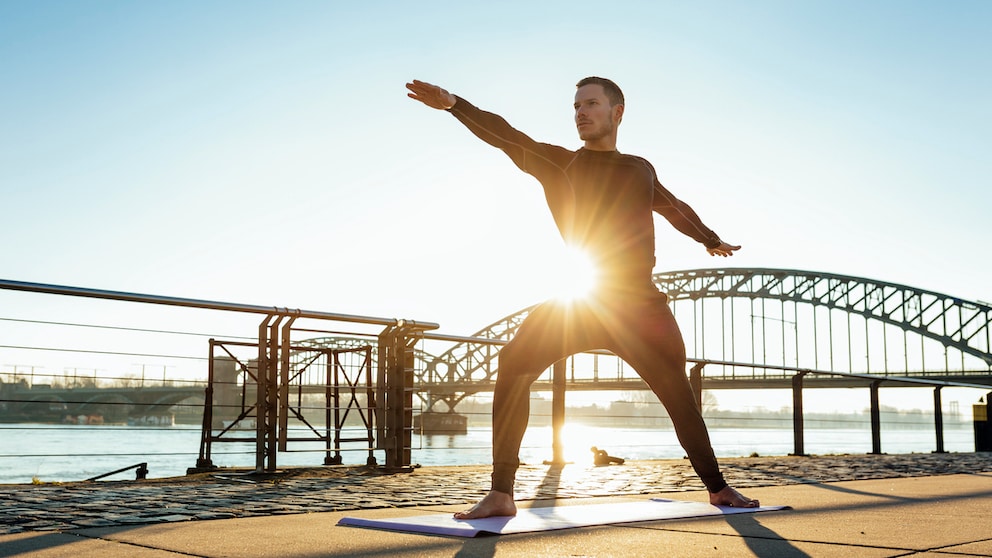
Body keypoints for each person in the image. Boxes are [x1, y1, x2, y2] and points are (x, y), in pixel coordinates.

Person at [406, 77, 759, 519]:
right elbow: (505, 135)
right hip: (581, 300)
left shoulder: (639, 168)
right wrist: (455, 105)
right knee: (514, 365)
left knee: (677, 393)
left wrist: (710, 239)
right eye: (576, 105)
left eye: (591, 103)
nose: (581, 112)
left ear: (618, 112)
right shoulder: (558, 163)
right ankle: (501, 492)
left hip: (639, 306)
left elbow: (674, 208)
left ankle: (719, 488)